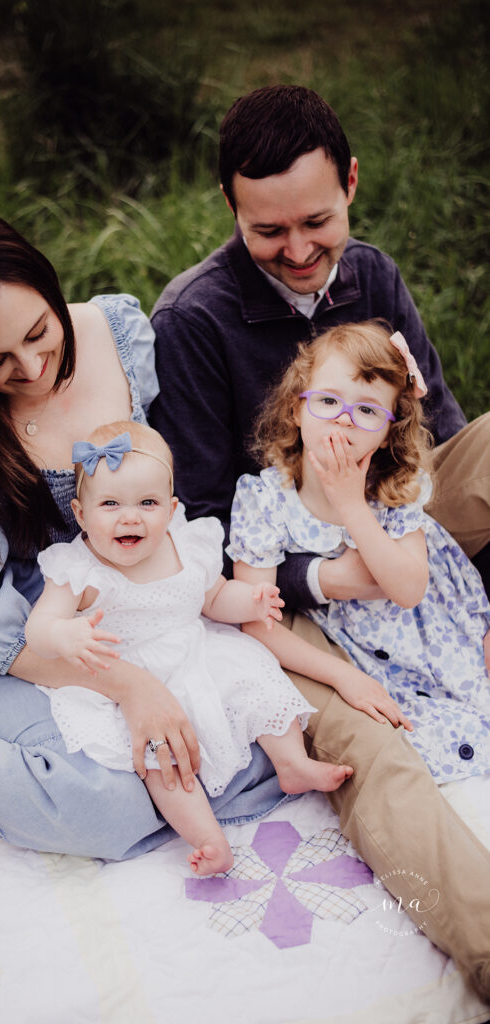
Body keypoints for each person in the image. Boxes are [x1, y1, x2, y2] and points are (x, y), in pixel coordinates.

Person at [0, 206, 304, 896]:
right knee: (113, 799)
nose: (35, 367)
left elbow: (161, 492)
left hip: (132, 616)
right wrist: (133, 688)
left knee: (242, 740)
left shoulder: (120, 335)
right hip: (1, 641)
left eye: (41, 333)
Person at [150, 85, 490, 1000]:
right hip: (283, 588)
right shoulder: (192, 321)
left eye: (316, 221)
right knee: (373, 750)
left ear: (350, 182)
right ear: (232, 208)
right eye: (268, 232)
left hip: (397, 519)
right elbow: (211, 530)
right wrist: (332, 575)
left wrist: (460, 580)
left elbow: (443, 434)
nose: (298, 252)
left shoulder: (372, 275)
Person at [25, 420, 386, 874]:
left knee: (256, 678)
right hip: (131, 678)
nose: (130, 516)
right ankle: (207, 837)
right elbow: (38, 629)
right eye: (111, 504)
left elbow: (213, 597)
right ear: (80, 514)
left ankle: (292, 762)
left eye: (148, 503)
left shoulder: (184, 545)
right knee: (162, 758)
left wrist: (251, 599)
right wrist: (64, 635)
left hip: (197, 650)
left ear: (172, 508)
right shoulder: (78, 569)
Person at [227, 320, 490, 783]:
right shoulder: (264, 498)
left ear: (389, 432)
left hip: (434, 624)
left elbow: (408, 590)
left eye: (368, 411)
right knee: (414, 738)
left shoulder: (396, 487)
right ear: (295, 410)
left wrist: (351, 504)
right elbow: (255, 620)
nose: (344, 419)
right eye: (327, 401)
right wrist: (342, 677)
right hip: (362, 651)